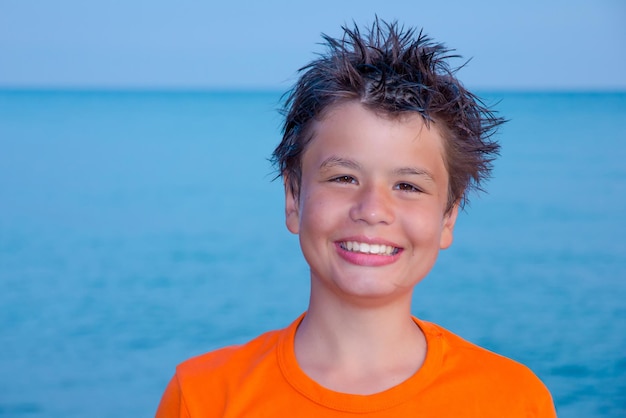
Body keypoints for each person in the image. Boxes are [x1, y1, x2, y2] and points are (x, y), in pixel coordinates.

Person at [155, 19, 557, 417]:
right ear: (293, 197)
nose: (372, 210)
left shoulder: (512, 400)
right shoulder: (203, 395)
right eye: (344, 178)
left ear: (448, 216)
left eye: (408, 186)